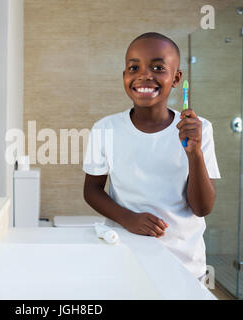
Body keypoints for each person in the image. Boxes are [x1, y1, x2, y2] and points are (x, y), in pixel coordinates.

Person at [82, 32, 221, 280]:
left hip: (184, 265)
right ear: (125, 76)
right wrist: (127, 218)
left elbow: (202, 207)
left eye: (158, 67)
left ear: (177, 78)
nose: (144, 75)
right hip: (124, 258)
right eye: (134, 67)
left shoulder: (201, 130)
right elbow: (92, 190)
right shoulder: (105, 129)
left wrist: (195, 154)